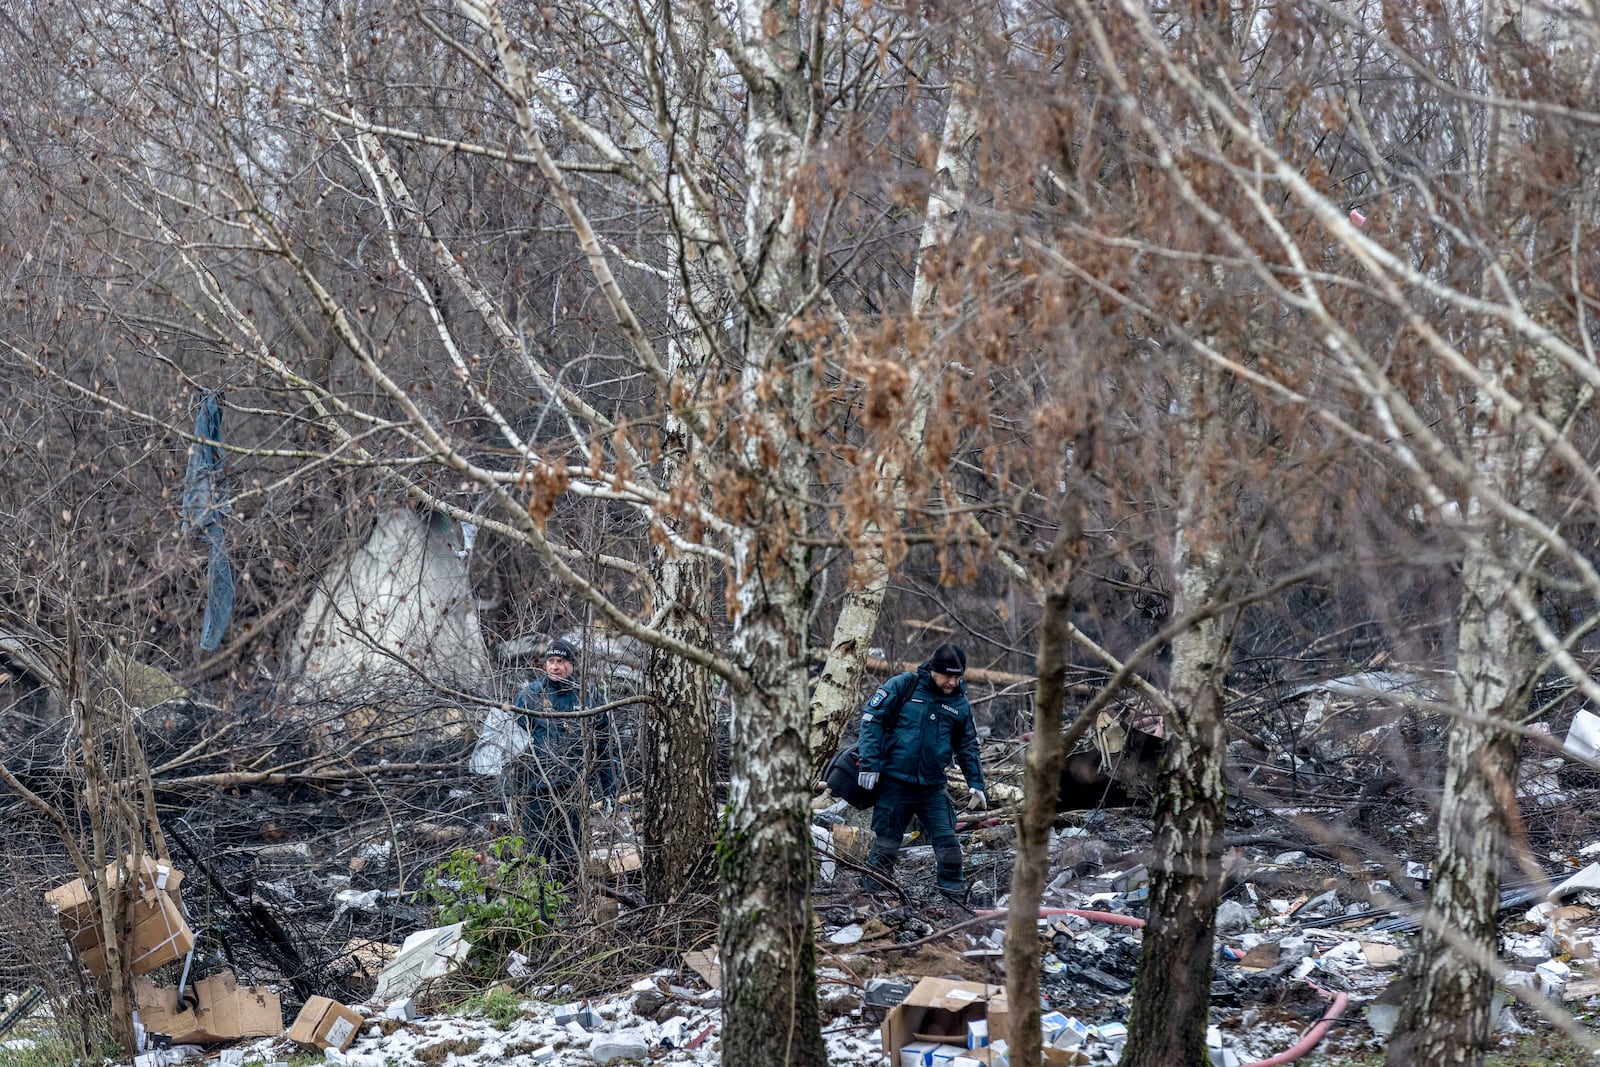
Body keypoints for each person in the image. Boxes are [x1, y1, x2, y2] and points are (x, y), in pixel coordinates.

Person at [855, 642, 986, 900]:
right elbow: (872, 720)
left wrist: (976, 783)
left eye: (958, 676)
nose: (953, 682)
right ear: (934, 670)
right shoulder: (904, 686)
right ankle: (871, 897)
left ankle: (953, 901)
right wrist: (869, 763)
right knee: (886, 846)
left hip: (933, 788)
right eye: (948, 676)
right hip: (895, 784)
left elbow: (968, 745)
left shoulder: (959, 704)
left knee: (948, 845)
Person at [503, 639, 615, 874]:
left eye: (561, 662)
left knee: (571, 858)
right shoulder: (530, 696)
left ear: (572, 664)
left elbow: (604, 747)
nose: (555, 667)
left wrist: (609, 791)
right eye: (551, 661)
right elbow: (510, 747)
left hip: (573, 792)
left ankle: (572, 905)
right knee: (535, 858)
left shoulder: (589, 697)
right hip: (536, 792)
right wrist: (508, 792)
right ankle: (538, 907)